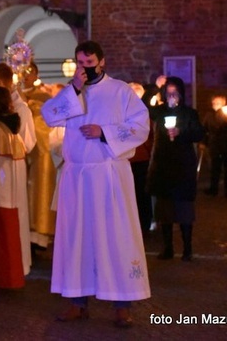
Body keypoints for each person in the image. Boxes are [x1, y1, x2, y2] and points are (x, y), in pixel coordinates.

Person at [41, 41, 150, 328]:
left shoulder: (120, 91)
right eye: (80, 63)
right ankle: (77, 302)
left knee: (115, 236)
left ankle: (122, 304)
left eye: (89, 63)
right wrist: (74, 89)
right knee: (77, 237)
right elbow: (50, 115)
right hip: (77, 177)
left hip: (109, 175)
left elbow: (141, 126)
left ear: (102, 62)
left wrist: (105, 132)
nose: (84, 68)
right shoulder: (72, 92)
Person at [147, 76, 205, 263]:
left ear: (181, 94)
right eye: (168, 92)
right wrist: (155, 88)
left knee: (184, 210)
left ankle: (187, 248)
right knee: (165, 211)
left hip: (182, 167)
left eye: (175, 93)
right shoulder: (160, 111)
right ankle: (168, 247)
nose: (172, 96)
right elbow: (143, 106)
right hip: (164, 166)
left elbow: (199, 133)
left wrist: (181, 132)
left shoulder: (189, 113)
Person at [0, 63, 36, 276]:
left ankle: (19, 264)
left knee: (15, 214)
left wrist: (10, 143)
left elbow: (29, 141)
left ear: (2, 81)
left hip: (13, 165)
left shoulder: (21, 109)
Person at [0, 86, 27, 289]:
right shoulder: (13, 126)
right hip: (12, 190)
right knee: (10, 234)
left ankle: (2, 279)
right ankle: (13, 277)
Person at [21, 62, 57, 251]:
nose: (26, 76)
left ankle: (40, 236)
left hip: (39, 151)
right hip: (18, 153)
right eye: (23, 72)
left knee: (39, 192)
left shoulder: (43, 97)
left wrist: (31, 109)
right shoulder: (14, 95)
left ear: (36, 74)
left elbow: (46, 126)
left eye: (30, 72)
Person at [128, 82, 154, 238]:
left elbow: (148, 136)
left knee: (142, 193)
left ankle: (143, 224)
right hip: (126, 159)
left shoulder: (142, 112)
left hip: (139, 159)